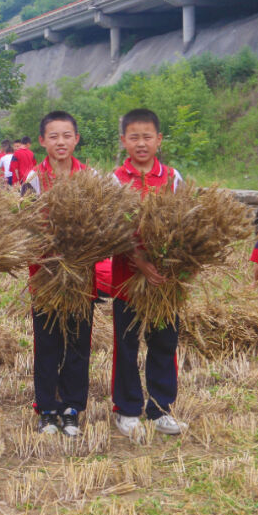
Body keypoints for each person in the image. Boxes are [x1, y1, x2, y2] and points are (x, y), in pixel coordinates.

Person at [109, 108, 187, 439]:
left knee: (164, 344)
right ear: (124, 140)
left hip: (166, 283)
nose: (141, 143)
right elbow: (110, 230)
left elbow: (187, 226)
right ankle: (126, 410)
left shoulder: (173, 177)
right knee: (126, 345)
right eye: (134, 137)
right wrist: (139, 261)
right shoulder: (114, 180)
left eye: (148, 136)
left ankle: (160, 410)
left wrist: (174, 263)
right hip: (127, 279)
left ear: (159, 139)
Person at [22, 111, 94, 437]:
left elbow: (101, 226)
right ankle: (47, 409)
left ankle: (72, 407)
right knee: (48, 344)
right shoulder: (33, 180)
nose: (61, 142)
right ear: (42, 141)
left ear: (76, 139)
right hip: (46, 276)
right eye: (54, 136)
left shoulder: (90, 177)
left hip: (81, 278)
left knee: (78, 343)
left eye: (67, 135)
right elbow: (25, 227)